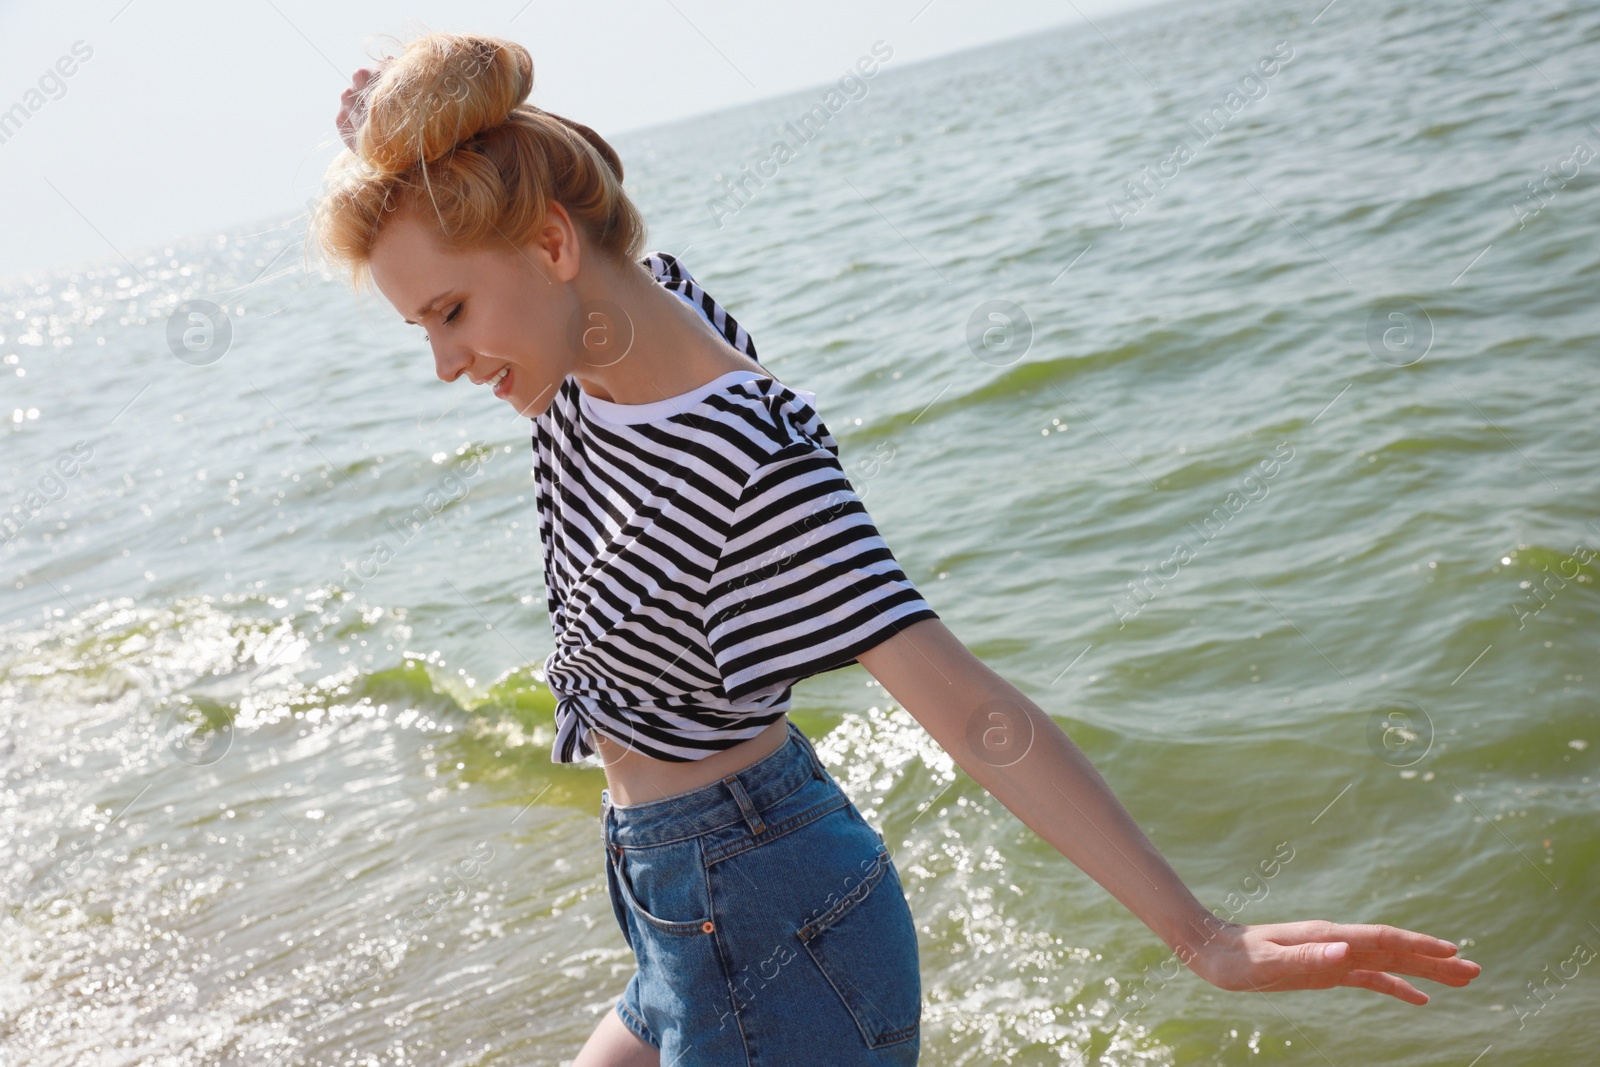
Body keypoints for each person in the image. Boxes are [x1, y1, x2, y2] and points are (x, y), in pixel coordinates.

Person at [315, 31, 1481, 1067]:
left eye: (450, 314)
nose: (446, 364)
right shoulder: (604, 346)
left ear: (552, 245)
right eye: (425, 324)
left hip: (773, 930)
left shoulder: (745, 456)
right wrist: (403, 140)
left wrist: (1203, 935)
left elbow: (961, 701)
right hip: (677, 917)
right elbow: (532, 202)